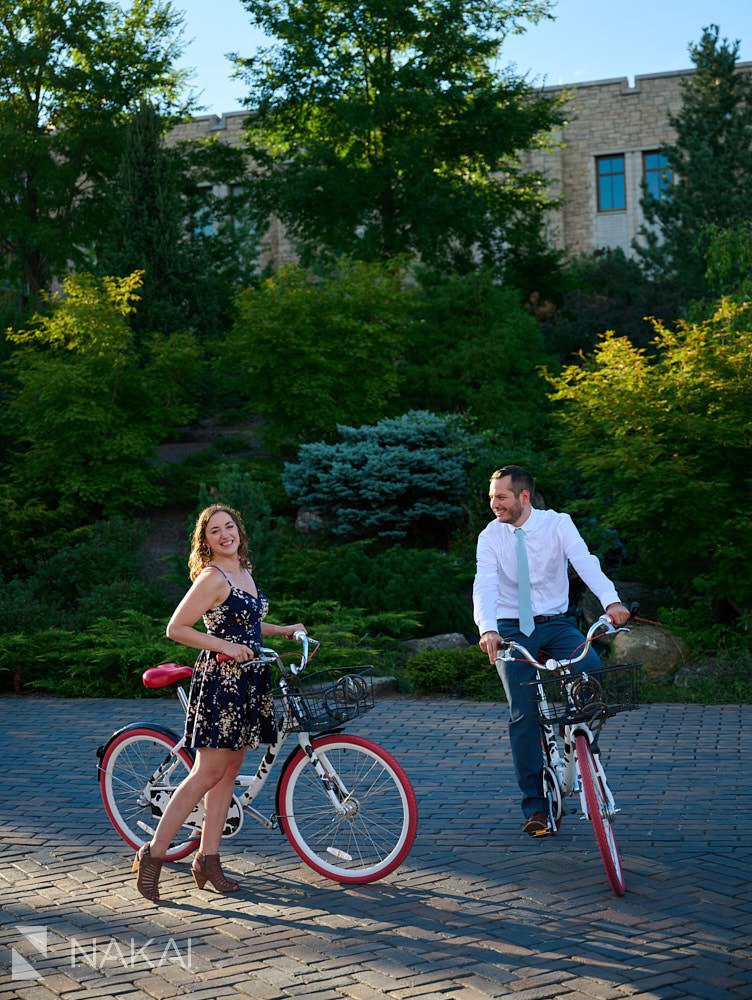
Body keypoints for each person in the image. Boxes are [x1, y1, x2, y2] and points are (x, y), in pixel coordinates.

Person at [132, 503, 306, 902]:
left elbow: (246, 624)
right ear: (206, 542)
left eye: (229, 527)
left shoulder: (242, 571)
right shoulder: (212, 577)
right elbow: (177, 628)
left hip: (250, 680)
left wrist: (282, 631)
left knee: (227, 775)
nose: (225, 534)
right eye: (215, 531)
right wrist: (225, 646)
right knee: (206, 774)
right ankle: (153, 855)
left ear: (239, 531)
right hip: (222, 683)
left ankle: (209, 860)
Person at [473, 465, 629, 836]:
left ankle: (583, 747)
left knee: (590, 673)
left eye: (501, 497)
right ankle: (536, 807)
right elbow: (485, 584)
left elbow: (585, 561)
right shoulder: (490, 535)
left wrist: (612, 601)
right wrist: (489, 629)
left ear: (523, 496)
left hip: (557, 624)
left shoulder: (558, 524)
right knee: (523, 715)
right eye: (492, 497)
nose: (494, 503)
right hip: (512, 628)